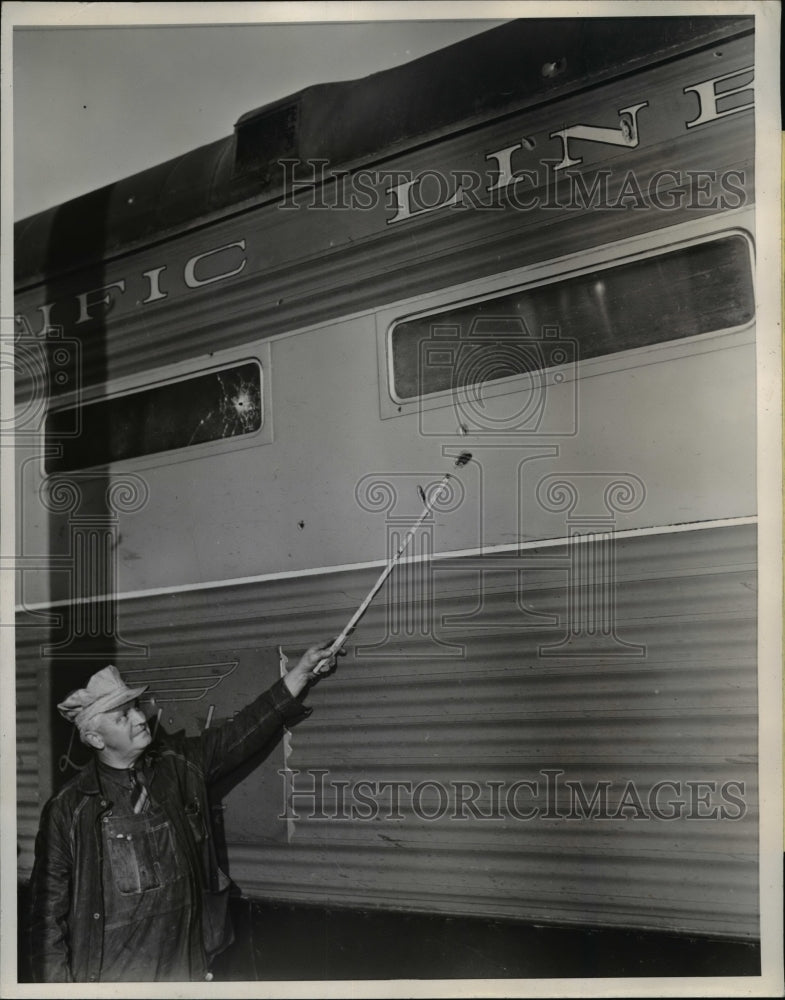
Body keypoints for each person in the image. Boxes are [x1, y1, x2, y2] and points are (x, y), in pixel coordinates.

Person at [28, 641, 339, 983]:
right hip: (114, 979)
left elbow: (241, 733)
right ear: (96, 739)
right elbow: (47, 919)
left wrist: (300, 674)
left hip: (186, 968)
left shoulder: (179, 766)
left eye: (136, 707)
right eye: (123, 716)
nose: (139, 718)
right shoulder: (69, 809)